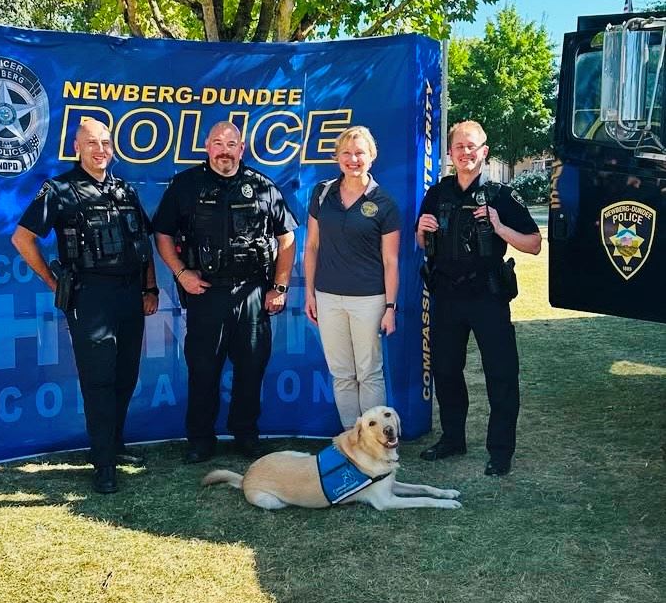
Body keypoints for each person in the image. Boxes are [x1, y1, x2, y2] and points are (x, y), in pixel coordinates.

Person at [11, 118, 158, 494]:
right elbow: (22, 238)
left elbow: (143, 244)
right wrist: (53, 282)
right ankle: (103, 463)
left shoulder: (124, 190)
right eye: (92, 143)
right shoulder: (59, 189)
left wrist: (150, 288)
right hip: (90, 297)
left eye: (106, 143)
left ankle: (115, 444)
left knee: (126, 375)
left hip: (130, 295)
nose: (100, 150)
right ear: (77, 148)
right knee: (99, 380)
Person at [153, 121, 298, 464]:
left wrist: (279, 287)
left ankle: (246, 435)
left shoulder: (262, 186)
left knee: (251, 368)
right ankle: (200, 439)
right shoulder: (185, 185)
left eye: (231, 144)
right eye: (218, 143)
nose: (224, 151)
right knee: (203, 370)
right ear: (207, 147)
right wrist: (181, 273)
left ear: (241, 149)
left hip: (252, 293)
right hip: (206, 294)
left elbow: (287, 237)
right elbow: (162, 234)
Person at [415, 120, 541, 476]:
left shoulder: (501, 195)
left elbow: (534, 244)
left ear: (484, 151)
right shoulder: (438, 193)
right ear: (450, 152)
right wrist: (420, 231)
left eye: (472, 146)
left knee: (501, 373)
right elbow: (422, 241)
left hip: (488, 296)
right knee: (445, 370)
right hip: (447, 295)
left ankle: (500, 451)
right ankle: (453, 438)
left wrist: (500, 227)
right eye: (459, 146)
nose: (465, 152)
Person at [304, 126, 401, 429]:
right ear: (337, 157)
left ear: (372, 156)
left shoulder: (384, 203)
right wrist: (309, 293)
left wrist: (390, 307)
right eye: (346, 153)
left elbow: (391, 261)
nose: (353, 159)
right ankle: (352, 438)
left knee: (369, 372)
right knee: (342, 374)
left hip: (369, 300)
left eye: (360, 153)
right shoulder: (322, 193)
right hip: (328, 297)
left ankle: (374, 442)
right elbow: (311, 246)